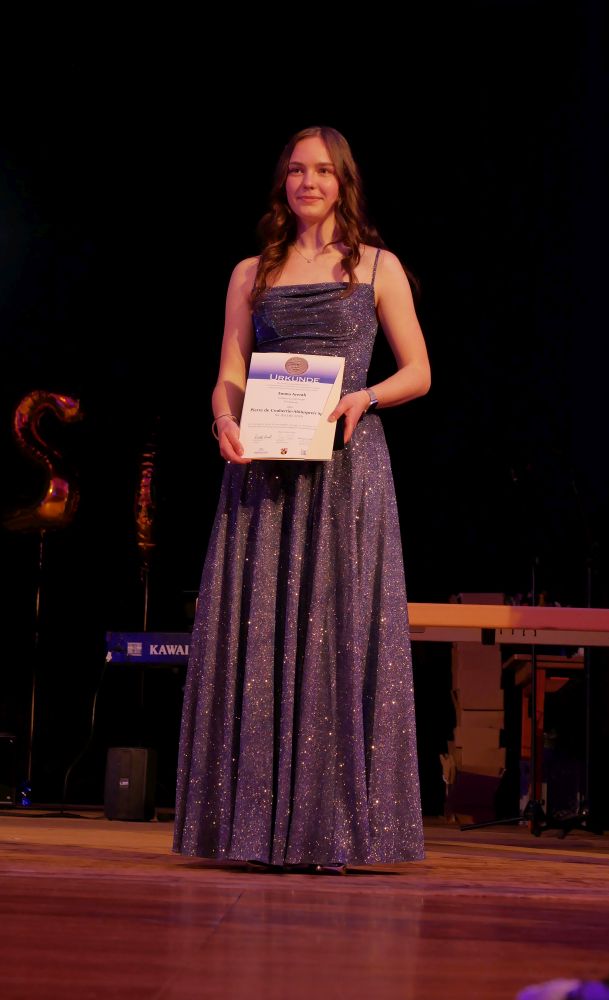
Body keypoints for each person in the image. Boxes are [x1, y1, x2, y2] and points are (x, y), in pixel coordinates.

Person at [172, 125, 431, 874]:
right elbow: (230, 371)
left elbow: (418, 371)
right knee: (261, 635)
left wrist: (364, 397)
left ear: (343, 181)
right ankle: (252, 828)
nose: (307, 182)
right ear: (282, 183)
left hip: (346, 470)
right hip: (265, 468)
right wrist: (224, 421)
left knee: (336, 633)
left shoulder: (378, 266)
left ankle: (334, 830)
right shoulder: (251, 271)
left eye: (321, 170)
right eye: (295, 170)